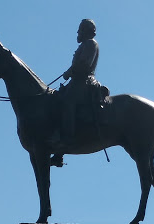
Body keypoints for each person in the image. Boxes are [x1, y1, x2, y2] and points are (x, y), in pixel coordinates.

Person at [51, 19, 100, 167]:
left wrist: (69, 72)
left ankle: (67, 140)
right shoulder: (85, 45)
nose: (78, 33)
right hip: (77, 82)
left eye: (80, 30)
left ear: (86, 31)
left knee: (68, 102)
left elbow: (84, 65)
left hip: (84, 82)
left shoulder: (91, 44)